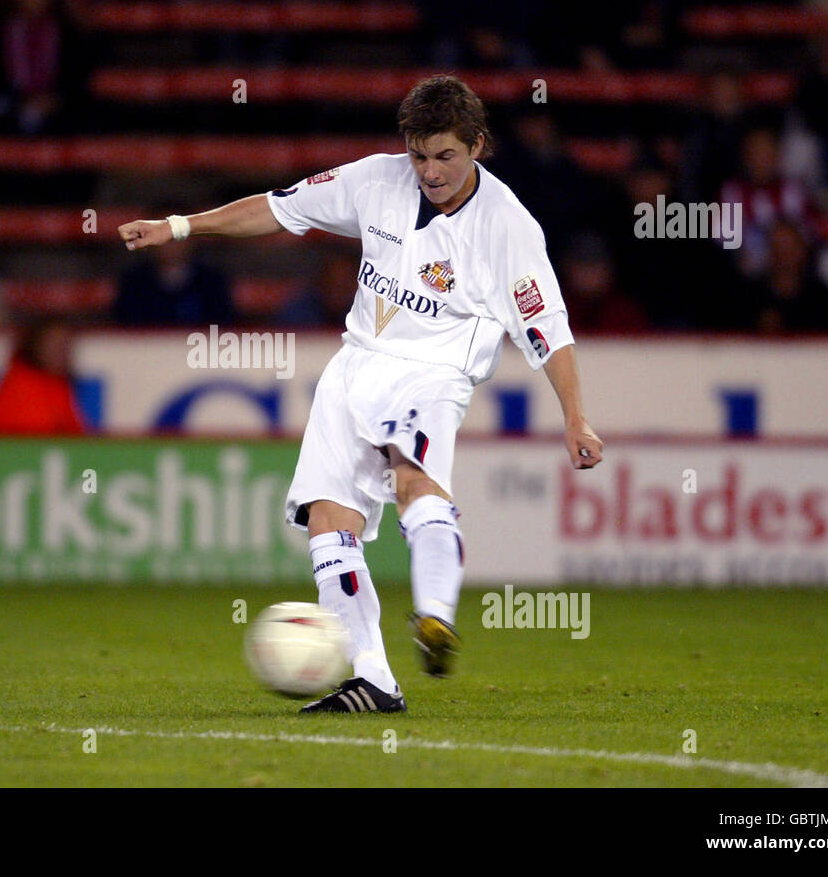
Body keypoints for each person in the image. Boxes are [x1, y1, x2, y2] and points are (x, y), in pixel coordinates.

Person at [119, 75, 603, 713]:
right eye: (419, 154)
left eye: (445, 156)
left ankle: (435, 616)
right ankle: (374, 678)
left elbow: (548, 327)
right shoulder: (377, 179)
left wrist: (576, 418)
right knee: (327, 520)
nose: (429, 171)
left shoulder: (509, 226)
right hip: (354, 367)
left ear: (478, 146)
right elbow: (276, 206)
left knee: (411, 478)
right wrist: (181, 226)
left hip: (433, 371)